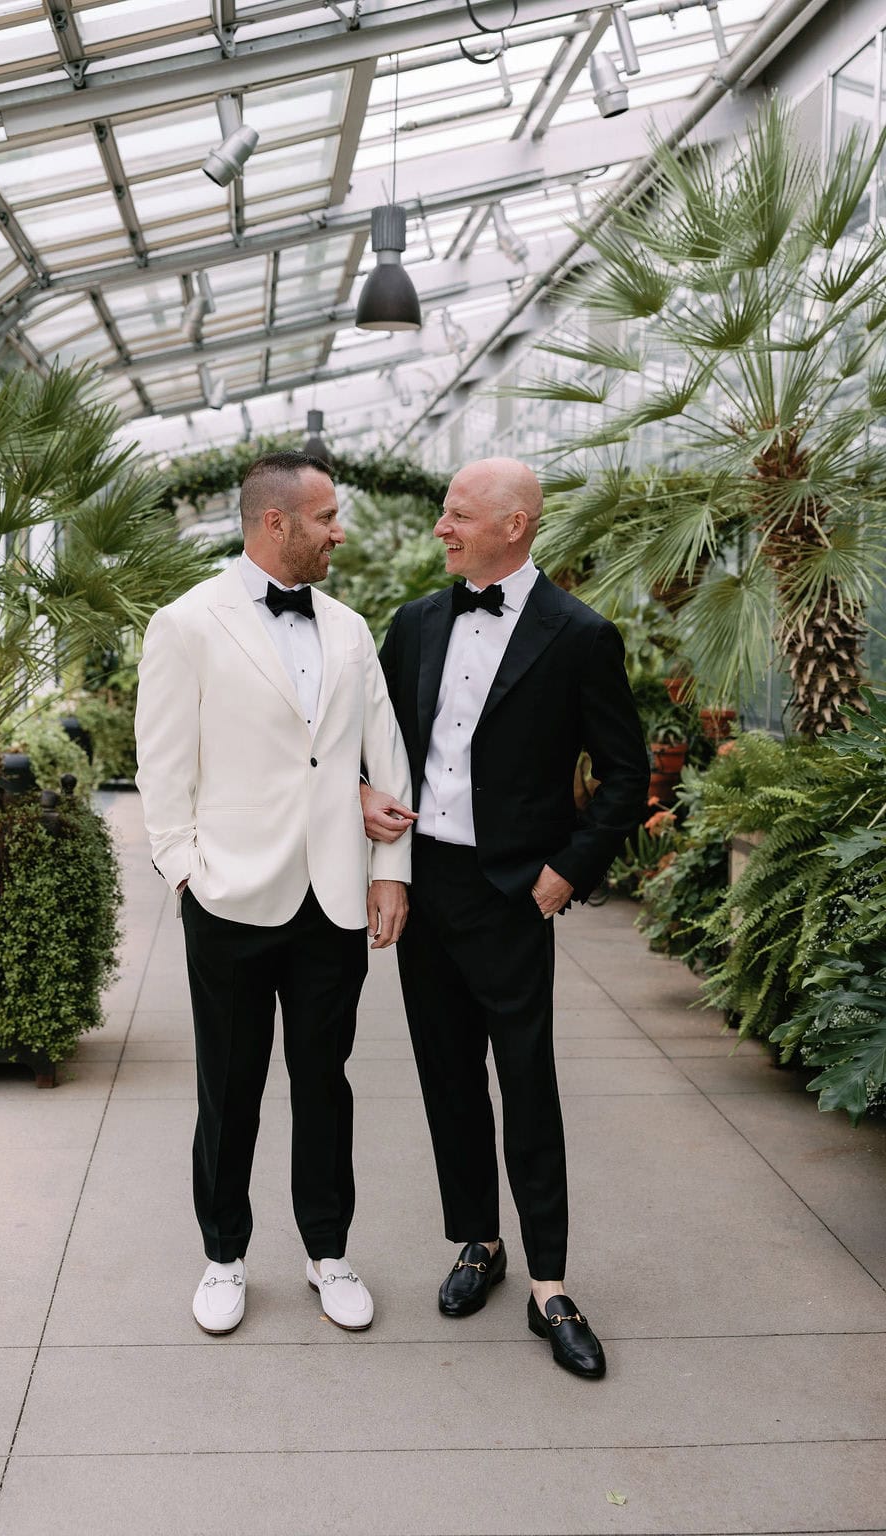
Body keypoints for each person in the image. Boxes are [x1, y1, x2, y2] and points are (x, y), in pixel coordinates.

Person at [364, 456, 649, 1379]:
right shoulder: (412, 625)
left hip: (517, 893)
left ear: (515, 524)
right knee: (447, 1076)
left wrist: (567, 872)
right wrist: (385, 858)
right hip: (426, 885)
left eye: (458, 515)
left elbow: (626, 775)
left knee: (527, 1083)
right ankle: (478, 1244)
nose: (441, 528)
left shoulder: (579, 635)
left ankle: (549, 1284)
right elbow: (372, 756)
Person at [135, 451, 412, 1337]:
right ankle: (224, 1256)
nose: (340, 531)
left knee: (325, 1084)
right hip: (229, 897)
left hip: (332, 897)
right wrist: (184, 871)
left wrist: (390, 873)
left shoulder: (350, 628)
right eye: (327, 517)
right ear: (275, 523)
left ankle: (328, 1253)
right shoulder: (187, 624)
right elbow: (163, 764)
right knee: (231, 1086)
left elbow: (385, 757)